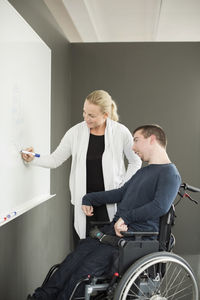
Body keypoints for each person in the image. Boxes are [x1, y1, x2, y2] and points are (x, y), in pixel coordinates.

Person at [27, 124, 181, 300]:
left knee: (83, 273)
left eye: (136, 140)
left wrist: (126, 217)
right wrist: (89, 198)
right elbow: (121, 193)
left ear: (152, 139)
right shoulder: (143, 172)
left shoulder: (170, 174)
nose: (133, 147)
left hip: (134, 238)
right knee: (69, 264)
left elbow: (159, 206)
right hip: (112, 233)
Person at [21, 90, 141, 238]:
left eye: (92, 115)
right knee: (84, 249)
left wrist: (123, 187)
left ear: (105, 115)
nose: (86, 118)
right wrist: (33, 158)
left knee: (110, 249)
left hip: (110, 201)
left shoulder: (121, 132)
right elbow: (55, 160)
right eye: (84, 112)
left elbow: (136, 161)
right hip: (84, 204)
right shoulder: (75, 133)